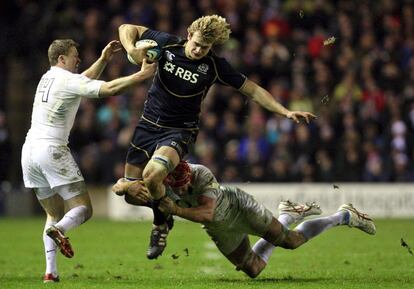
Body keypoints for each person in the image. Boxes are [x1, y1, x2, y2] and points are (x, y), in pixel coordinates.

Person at [113, 14, 317, 259]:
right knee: (131, 195)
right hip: (146, 126)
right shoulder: (168, 44)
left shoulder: (214, 66)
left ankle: (159, 225)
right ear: (189, 35)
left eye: (205, 47)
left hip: (179, 130)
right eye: (196, 43)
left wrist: (285, 111)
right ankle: (164, 211)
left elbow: (252, 90)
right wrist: (132, 49)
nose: (198, 50)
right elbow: (127, 27)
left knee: (152, 175)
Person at [21, 39, 156, 283]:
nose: (78, 60)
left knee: (53, 214)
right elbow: (109, 90)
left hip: (29, 152)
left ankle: (51, 272)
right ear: (62, 59)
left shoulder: (48, 78)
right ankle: (60, 231)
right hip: (52, 150)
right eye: (75, 56)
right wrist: (142, 75)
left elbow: (82, 78)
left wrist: (103, 59)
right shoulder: (67, 80)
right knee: (84, 209)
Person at [119, 161, 376, 278]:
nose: (184, 190)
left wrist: (174, 209)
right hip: (218, 228)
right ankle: (287, 213)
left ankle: (343, 216)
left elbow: (206, 211)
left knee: (292, 241)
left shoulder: (200, 174)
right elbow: (126, 186)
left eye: (185, 185)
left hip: (238, 207)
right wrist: (122, 188)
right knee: (253, 270)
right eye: (179, 187)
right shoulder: (159, 181)